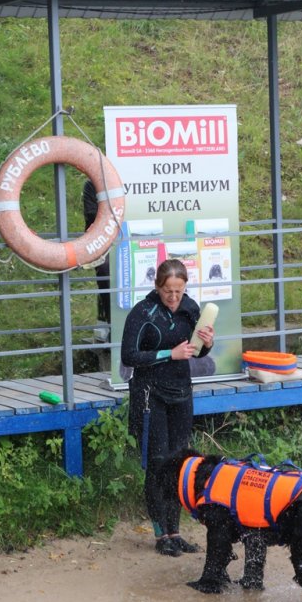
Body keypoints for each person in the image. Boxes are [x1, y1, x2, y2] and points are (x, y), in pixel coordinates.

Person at [121, 259, 215, 556]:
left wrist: (207, 343)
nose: (173, 297)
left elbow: (197, 351)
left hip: (181, 393)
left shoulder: (191, 309)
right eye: (167, 291)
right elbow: (129, 355)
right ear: (157, 287)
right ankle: (161, 534)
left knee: (180, 464)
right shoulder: (143, 313)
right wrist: (168, 354)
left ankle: (176, 531)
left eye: (178, 290)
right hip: (150, 394)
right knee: (158, 463)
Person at [82, 179, 111, 326]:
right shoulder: (92, 185)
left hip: (128, 237)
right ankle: (111, 323)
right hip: (102, 240)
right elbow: (92, 215)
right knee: (106, 270)